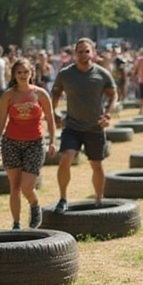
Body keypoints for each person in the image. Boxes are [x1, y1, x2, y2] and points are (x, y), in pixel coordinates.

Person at [50, 37, 117, 210]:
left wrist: (108, 114)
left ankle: (99, 200)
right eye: (80, 51)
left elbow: (113, 94)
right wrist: (54, 113)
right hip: (72, 126)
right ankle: (63, 198)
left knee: (96, 165)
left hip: (95, 127)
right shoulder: (65, 74)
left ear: (92, 52)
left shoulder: (101, 73)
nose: (83, 54)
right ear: (74, 53)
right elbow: (55, 95)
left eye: (87, 51)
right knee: (65, 158)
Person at [0, 58, 57, 229]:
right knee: (14, 186)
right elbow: (1, 121)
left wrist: (52, 141)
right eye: (19, 72)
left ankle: (35, 206)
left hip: (34, 143)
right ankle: (16, 223)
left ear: (31, 73)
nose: (23, 76)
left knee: (27, 186)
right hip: (11, 142)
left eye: (26, 72)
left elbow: (51, 119)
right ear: (14, 75)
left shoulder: (41, 94)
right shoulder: (8, 95)